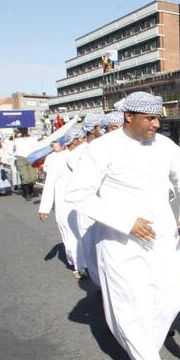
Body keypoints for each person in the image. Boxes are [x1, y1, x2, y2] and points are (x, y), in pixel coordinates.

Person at [66, 91, 180, 360]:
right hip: (120, 242)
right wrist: (125, 221)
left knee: (169, 300)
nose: (156, 123)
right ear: (129, 117)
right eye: (150, 118)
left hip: (164, 239)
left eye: (158, 117)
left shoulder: (166, 146)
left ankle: (143, 348)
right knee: (128, 306)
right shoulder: (102, 148)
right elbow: (78, 194)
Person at [38, 127, 83, 273]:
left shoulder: (86, 155)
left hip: (83, 204)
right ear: (74, 141)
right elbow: (50, 183)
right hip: (65, 204)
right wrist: (45, 207)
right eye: (82, 138)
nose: (84, 141)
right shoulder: (57, 158)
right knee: (70, 236)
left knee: (84, 235)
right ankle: (79, 266)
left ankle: (87, 264)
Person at [67, 113, 105, 284]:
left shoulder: (108, 146)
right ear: (95, 129)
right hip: (89, 208)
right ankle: (100, 284)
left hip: (109, 206)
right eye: (102, 127)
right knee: (91, 247)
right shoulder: (78, 154)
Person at [12, 128, 39, 201]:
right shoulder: (16, 140)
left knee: (33, 178)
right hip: (21, 158)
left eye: (25, 129)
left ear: (27, 130)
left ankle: (30, 189)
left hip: (31, 158)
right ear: (20, 131)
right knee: (25, 177)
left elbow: (37, 148)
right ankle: (27, 194)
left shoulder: (33, 139)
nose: (24, 130)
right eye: (22, 129)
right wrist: (14, 152)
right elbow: (11, 150)